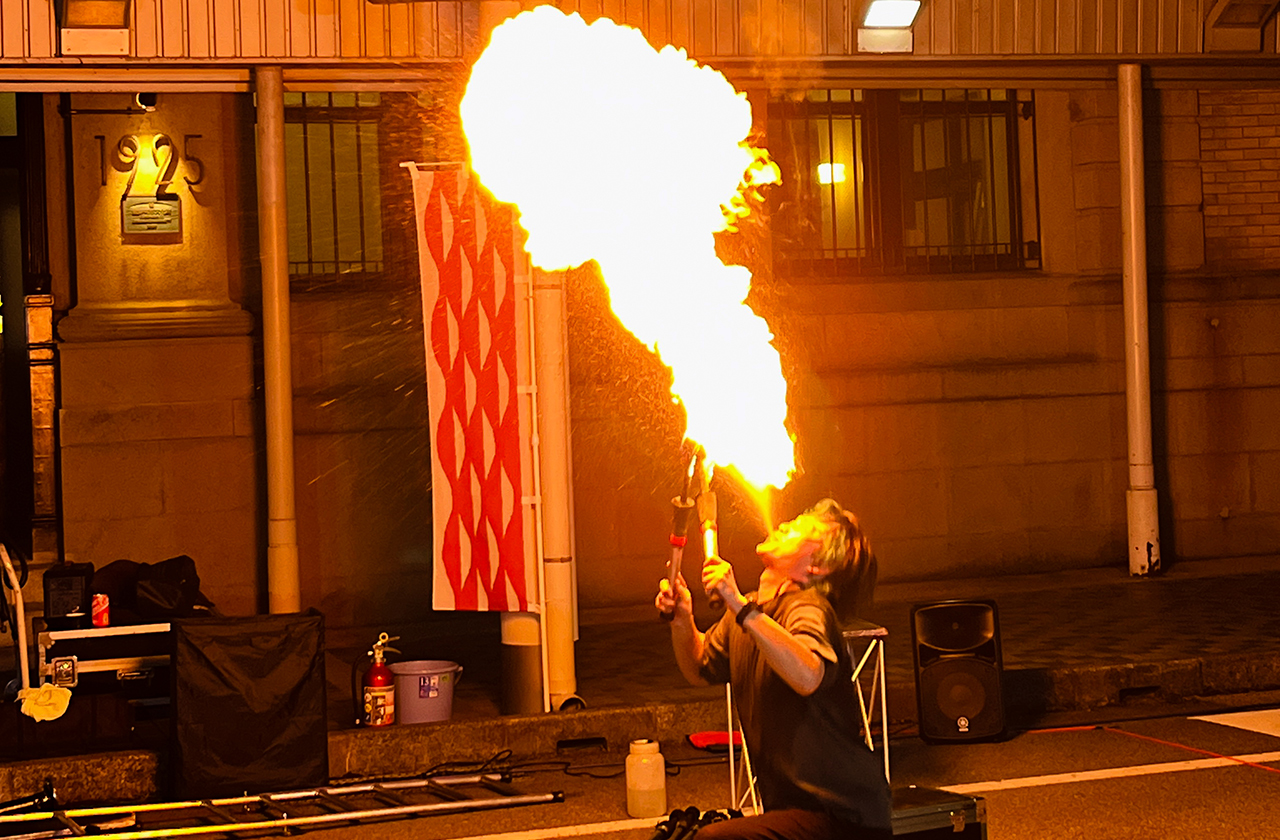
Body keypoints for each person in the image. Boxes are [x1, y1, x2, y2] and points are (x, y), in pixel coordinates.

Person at [655, 498, 892, 840]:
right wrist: (682, 619)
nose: (783, 525)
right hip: (792, 811)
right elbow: (699, 667)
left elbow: (809, 675)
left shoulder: (807, 608)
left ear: (817, 566)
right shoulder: (752, 614)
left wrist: (738, 604)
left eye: (799, 529)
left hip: (844, 815)